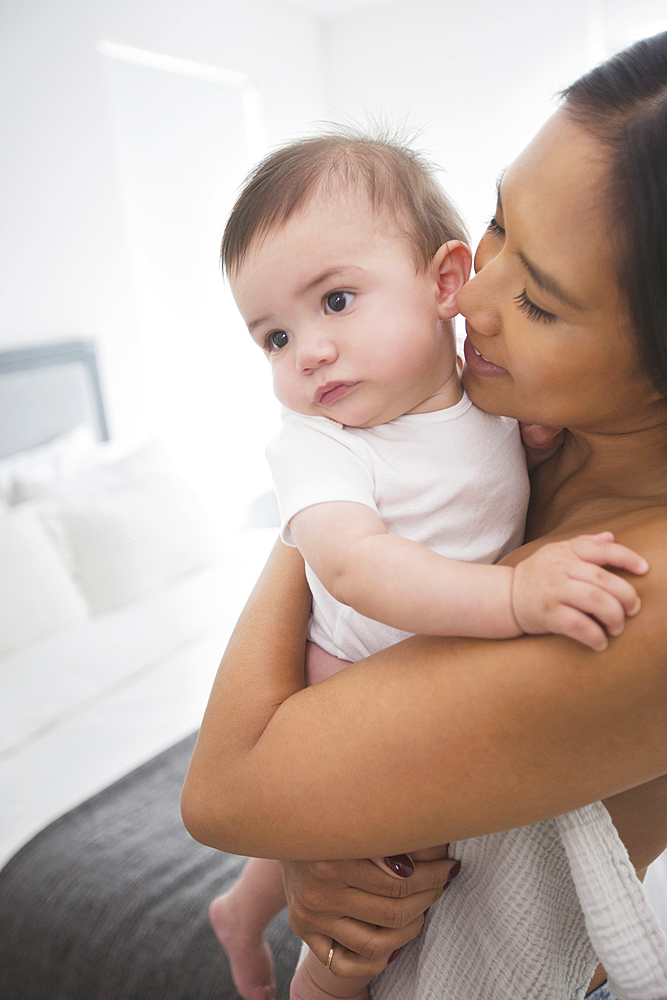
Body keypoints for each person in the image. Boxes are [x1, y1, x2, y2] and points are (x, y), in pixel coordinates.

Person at [182, 31, 667, 1000]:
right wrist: (333, 490)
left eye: (535, 298)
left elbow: (228, 788)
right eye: (496, 224)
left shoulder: (635, 591)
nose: (469, 293)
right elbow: (353, 585)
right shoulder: (537, 430)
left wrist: (333, 504)